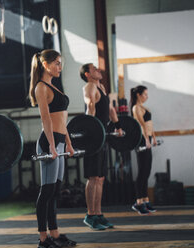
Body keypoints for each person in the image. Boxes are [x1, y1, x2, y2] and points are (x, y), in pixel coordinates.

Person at [29, 49, 77, 248]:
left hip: (58, 142)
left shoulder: (53, 86)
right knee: (47, 191)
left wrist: (68, 142)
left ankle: (55, 234)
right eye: (56, 63)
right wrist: (51, 144)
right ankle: (43, 239)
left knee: (55, 190)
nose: (60, 67)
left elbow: (62, 120)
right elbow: (46, 119)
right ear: (45, 65)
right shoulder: (41, 87)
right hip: (48, 143)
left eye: (60, 62)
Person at [79, 63, 123, 230]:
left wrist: (118, 125)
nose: (98, 69)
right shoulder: (89, 86)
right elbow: (90, 105)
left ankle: (98, 213)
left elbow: (110, 109)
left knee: (101, 177)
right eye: (94, 68)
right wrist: (89, 127)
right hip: (92, 137)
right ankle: (90, 215)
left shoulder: (102, 87)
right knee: (93, 177)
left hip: (102, 136)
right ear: (87, 74)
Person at [130, 85, 157, 215]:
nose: (147, 96)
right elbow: (141, 125)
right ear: (138, 95)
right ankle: (138, 202)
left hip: (148, 139)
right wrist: (146, 139)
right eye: (145, 94)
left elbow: (149, 124)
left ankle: (145, 200)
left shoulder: (144, 107)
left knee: (147, 170)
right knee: (142, 171)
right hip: (142, 140)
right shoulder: (136, 108)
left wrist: (154, 138)